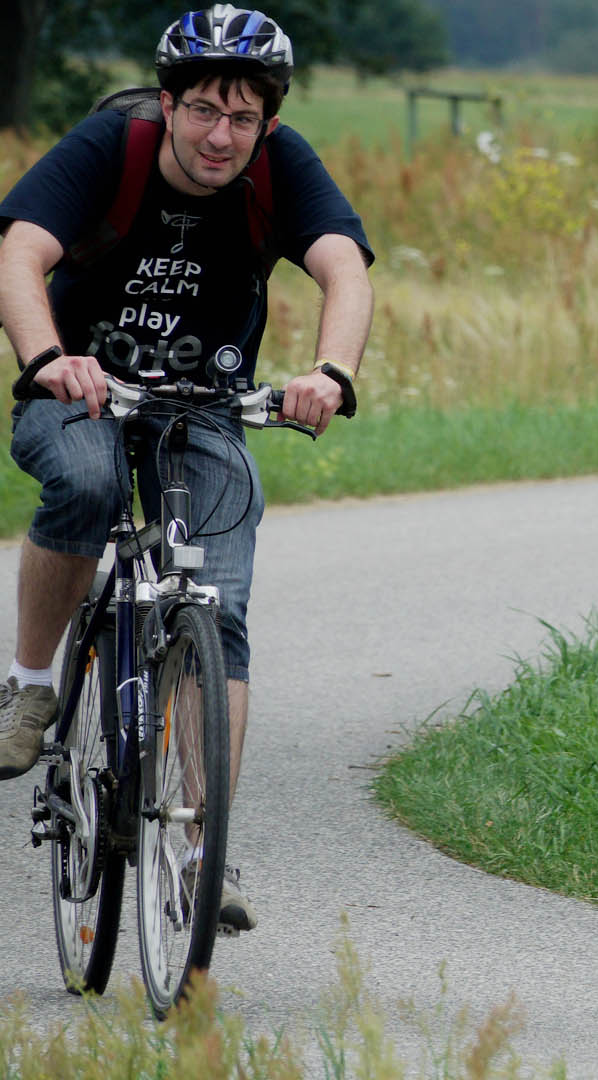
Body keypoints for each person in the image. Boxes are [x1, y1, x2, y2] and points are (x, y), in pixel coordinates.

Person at [0, 5, 374, 933]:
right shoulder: (110, 147)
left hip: (203, 405)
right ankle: (32, 683)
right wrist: (49, 359)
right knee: (85, 488)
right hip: (82, 391)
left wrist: (330, 372)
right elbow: (20, 249)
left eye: (243, 118)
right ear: (168, 104)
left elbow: (345, 270)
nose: (221, 135)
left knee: (224, 611)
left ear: (268, 125)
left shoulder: (281, 169)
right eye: (204, 109)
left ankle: (201, 845)